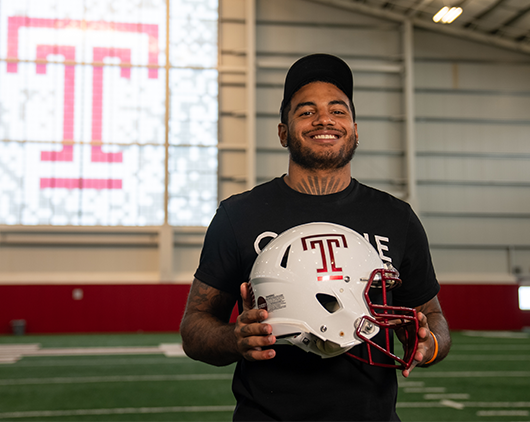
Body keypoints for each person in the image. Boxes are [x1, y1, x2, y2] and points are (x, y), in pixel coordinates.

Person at [179, 53, 451, 421]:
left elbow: (433, 317)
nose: (324, 119)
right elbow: (194, 327)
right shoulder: (239, 215)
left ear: (355, 129)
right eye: (307, 111)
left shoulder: (396, 218)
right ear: (283, 132)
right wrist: (235, 339)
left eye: (338, 110)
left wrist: (429, 344)